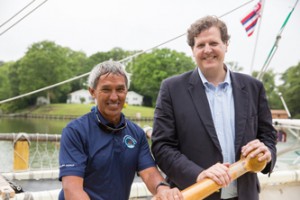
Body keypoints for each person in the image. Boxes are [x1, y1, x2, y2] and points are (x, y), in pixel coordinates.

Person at [151, 16, 277, 200]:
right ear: (193, 50)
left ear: (226, 44)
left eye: (214, 43)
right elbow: (162, 146)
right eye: (200, 45)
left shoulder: (253, 87)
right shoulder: (172, 89)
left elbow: (268, 136)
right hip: (196, 194)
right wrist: (198, 174)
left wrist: (267, 153)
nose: (207, 50)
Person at [58, 60, 183, 200]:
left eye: (120, 89)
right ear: (92, 92)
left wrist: (163, 189)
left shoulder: (136, 133)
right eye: (106, 89)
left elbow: (149, 172)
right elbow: (72, 190)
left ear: (126, 91)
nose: (114, 97)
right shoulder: (75, 131)